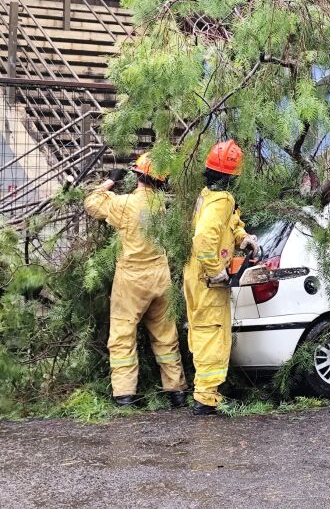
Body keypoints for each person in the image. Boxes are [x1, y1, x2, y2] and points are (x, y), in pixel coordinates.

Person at [84, 153, 188, 408]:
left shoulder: (125, 204)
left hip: (131, 279)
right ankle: (176, 391)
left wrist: (110, 181)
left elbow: (92, 204)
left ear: (137, 175)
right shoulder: (161, 206)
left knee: (123, 334)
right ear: (161, 181)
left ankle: (124, 395)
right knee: (166, 335)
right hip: (160, 277)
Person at [183, 139, 259, 415]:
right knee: (212, 334)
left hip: (195, 276)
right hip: (208, 280)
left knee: (202, 331)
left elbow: (227, 225)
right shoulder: (223, 200)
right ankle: (206, 399)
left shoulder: (208, 195)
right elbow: (204, 237)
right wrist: (216, 270)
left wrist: (243, 238)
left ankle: (205, 393)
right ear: (233, 176)